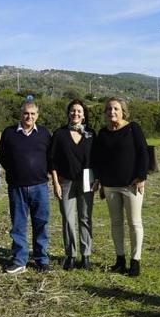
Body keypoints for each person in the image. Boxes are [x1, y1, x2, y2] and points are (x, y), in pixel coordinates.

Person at [91, 97, 149, 277]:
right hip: (110, 186)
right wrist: (99, 180)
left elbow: (143, 153)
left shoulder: (133, 128)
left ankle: (135, 261)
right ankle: (120, 259)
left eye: (116, 109)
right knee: (116, 223)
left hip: (131, 185)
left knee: (134, 222)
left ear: (123, 111)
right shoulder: (102, 133)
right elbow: (98, 159)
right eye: (108, 109)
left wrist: (141, 177)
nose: (112, 112)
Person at [0, 100, 51, 274]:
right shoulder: (9, 133)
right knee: (18, 225)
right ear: (21, 114)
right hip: (17, 187)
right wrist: (15, 171)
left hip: (40, 186)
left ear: (37, 115)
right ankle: (20, 260)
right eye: (26, 113)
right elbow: (2, 157)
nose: (29, 117)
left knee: (41, 224)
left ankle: (41, 259)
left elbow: (50, 157)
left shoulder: (44, 133)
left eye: (32, 114)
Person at [48, 99, 96, 271]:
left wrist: (96, 180)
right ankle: (71, 255)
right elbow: (52, 161)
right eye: (72, 111)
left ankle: (86, 256)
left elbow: (96, 160)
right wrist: (55, 183)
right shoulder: (59, 134)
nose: (75, 113)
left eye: (79, 111)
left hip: (86, 182)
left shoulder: (91, 134)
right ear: (68, 113)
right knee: (68, 219)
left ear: (84, 115)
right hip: (65, 182)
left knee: (85, 218)